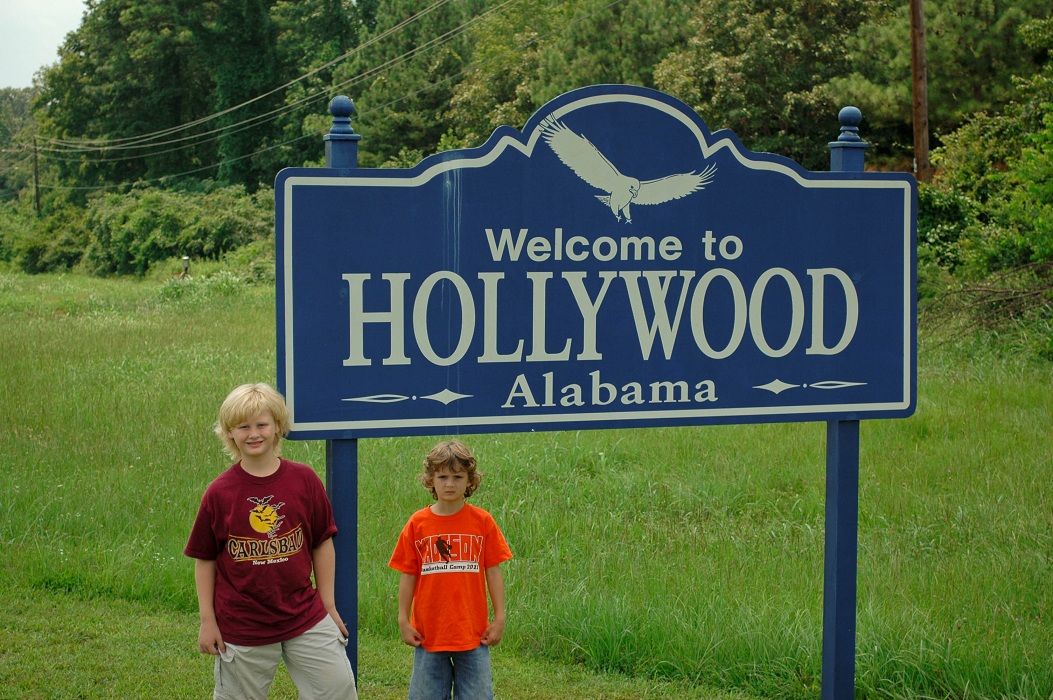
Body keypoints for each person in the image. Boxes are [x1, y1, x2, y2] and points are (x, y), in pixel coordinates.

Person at [184, 383, 357, 700]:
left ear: (278, 426)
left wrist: (328, 604)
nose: (254, 434)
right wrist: (207, 621)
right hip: (242, 624)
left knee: (338, 690)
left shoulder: (303, 479)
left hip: (303, 614)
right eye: (243, 427)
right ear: (229, 432)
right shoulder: (220, 492)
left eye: (261, 424)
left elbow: (321, 541)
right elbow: (205, 558)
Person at [389, 440, 513, 700]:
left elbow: (493, 571)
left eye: (458, 477)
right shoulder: (417, 524)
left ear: (470, 480)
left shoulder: (482, 522)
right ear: (430, 480)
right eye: (442, 476)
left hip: (473, 633)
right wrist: (403, 618)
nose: (449, 484)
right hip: (429, 633)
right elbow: (408, 573)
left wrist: (500, 616)